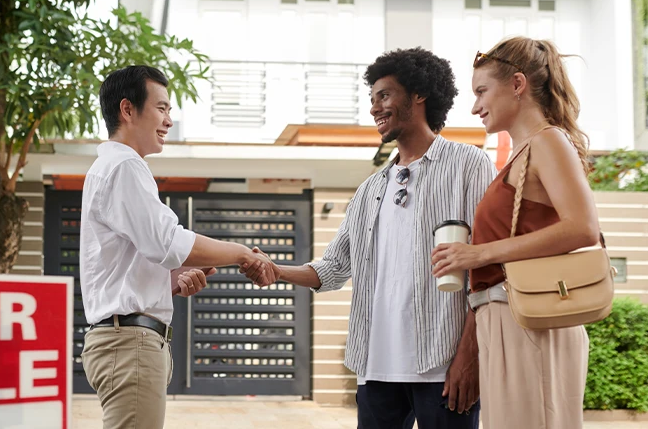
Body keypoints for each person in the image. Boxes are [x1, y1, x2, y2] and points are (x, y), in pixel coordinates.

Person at [246, 48, 496, 428]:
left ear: (419, 95)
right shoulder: (368, 190)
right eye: (372, 99)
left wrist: (469, 356)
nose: (375, 108)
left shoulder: (468, 165)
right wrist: (276, 270)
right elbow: (332, 269)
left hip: (442, 365)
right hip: (376, 367)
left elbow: (487, 266)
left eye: (384, 95)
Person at [79, 65, 276, 429]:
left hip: (125, 341)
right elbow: (167, 242)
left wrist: (169, 281)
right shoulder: (124, 165)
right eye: (162, 108)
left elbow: (119, 266)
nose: (169, 120)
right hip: (129, 346)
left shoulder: (109, 167)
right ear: (127, 110)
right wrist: (242, 253)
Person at [431, 36, 598, 428]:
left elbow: (583, 228)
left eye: (482, 91)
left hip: (528, 318)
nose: (474, 107)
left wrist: (479, 254)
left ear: (518, 85)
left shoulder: (548, 141)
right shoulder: (522, 153)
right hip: (507, 317)